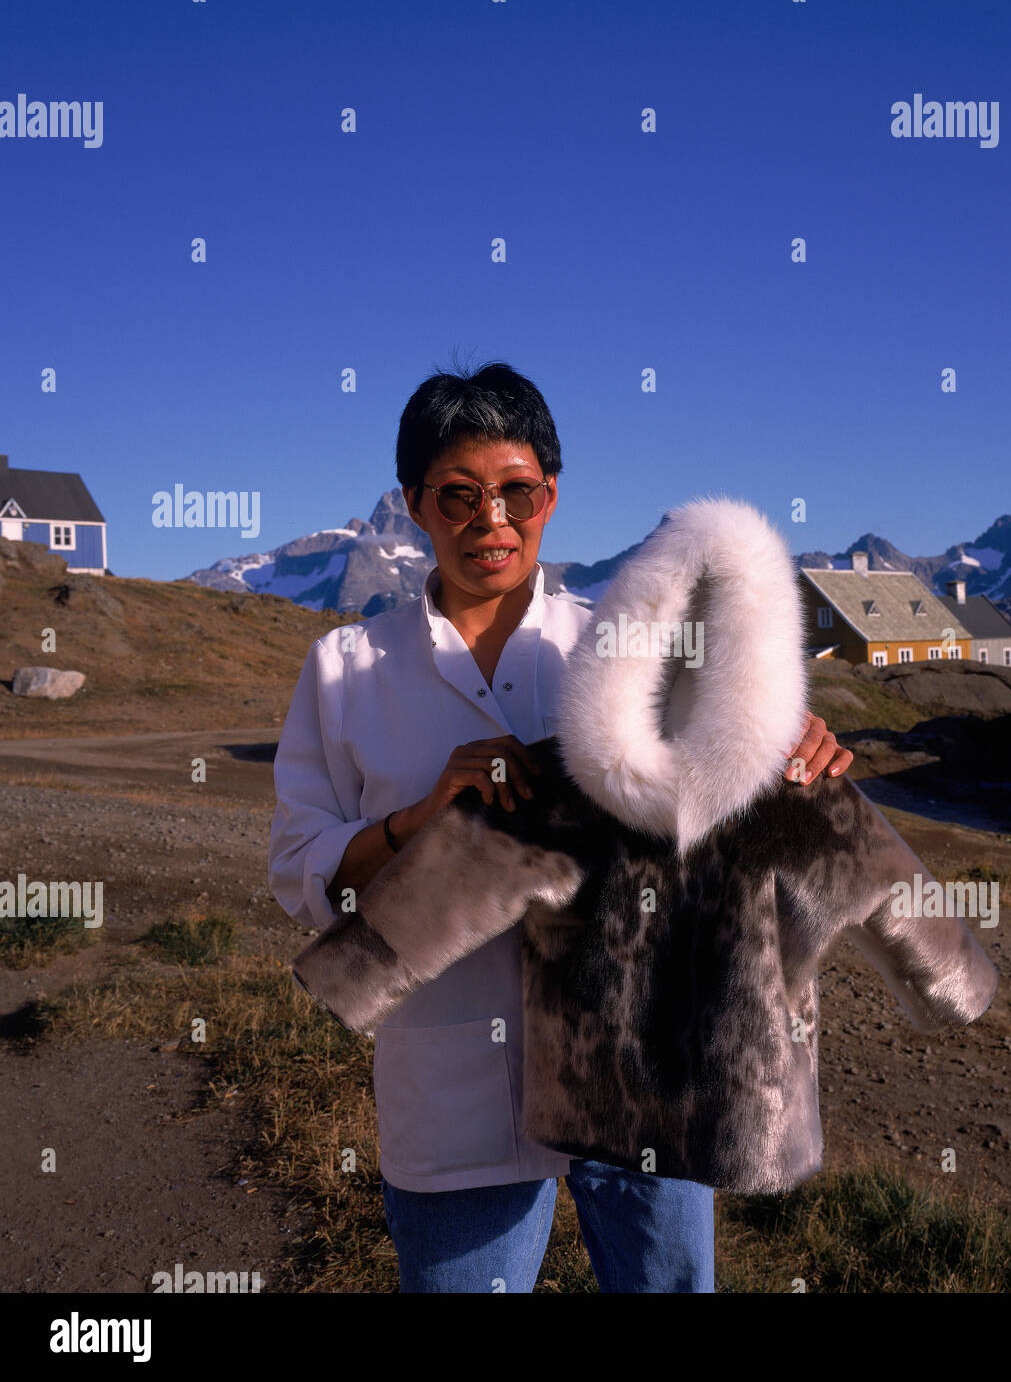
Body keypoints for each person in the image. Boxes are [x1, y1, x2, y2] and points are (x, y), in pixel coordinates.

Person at [268, 358, 853, 1292]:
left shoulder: (627, 651)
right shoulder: (345, 671)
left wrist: (789, 736)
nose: (489, 520)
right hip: (454, 1094)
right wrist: (422, 818)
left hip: (641, 1064)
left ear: (552, 493)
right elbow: (305, 876)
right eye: (457, 495)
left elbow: (722, 774)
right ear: (413, 503)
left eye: (516, 491)